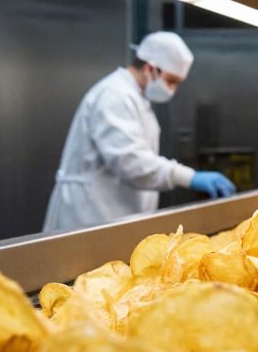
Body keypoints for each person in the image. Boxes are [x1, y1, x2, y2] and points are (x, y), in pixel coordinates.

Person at [43, 31, 236, 232]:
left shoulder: (136, 98)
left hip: (114, 214)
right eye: (171, 81)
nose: (173, 89)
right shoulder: (114, 95)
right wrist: (189, 177)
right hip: (90, 214)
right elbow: (131, 162)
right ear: (151, 69)